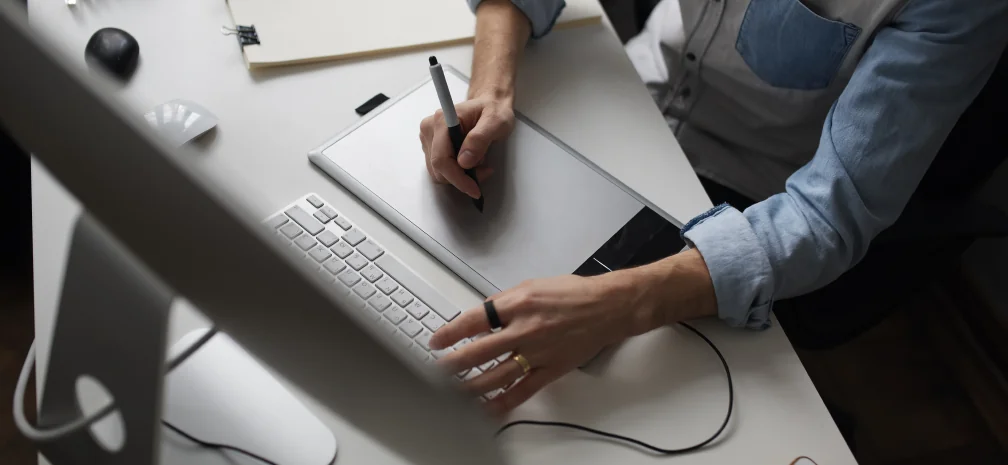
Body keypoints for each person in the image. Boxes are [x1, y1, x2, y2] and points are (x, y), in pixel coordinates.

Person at [420, 0, 1008, 415]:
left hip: (748, 203)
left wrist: (622, 303)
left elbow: (832, 212)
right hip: (627, 95)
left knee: (578, 408)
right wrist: (490, 91)